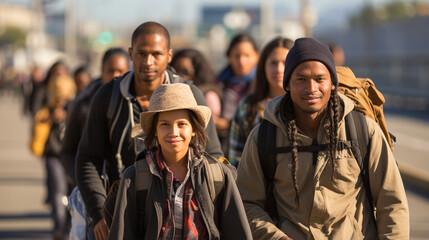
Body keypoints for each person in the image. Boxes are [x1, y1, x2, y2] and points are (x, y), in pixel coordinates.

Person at [236, 38, 409, 239]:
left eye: (320, 79)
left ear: (332, 83)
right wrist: (275, 237)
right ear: (288, 85)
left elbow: (392, 203)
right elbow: (246, 203)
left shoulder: (362, 130)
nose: (311, 88)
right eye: (301, 79)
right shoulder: (264, 137)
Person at [76, 22, 223, 240]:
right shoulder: (108, 96)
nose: (148, 62)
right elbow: (87, 158)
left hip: (184, 217)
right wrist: (99, 213)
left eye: (156, 54)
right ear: (130, 54)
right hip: (119, 214)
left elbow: (213, 157)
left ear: (169, 55)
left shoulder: (190, 95)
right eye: (141, 53)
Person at [108, 83, 252, 239]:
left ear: (194, 129)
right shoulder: (135, 178)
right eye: (165, 124)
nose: (174, 132)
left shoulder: (218, 175)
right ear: (155, 130)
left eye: (182, 124)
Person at [228, 37, 293, 166]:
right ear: (263, 66)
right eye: (273, 63)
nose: (279, 69)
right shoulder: (247, 107)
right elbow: (236, 160)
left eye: (285, 63)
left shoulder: (305, 105)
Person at [30, 74, 76, 240]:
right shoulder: (46, 111)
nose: (61, 100)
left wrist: (67, 115)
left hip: (71, 156)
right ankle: (59, 227)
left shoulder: (75, 108)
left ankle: (69, 227)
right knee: (58, 192)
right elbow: (37, 129)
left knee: (72, 193)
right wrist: (49, 119)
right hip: (53, 156)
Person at [217, 33, 259, 156]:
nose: (242, 61)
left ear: (257, 56)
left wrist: (228, 124)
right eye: (237, 56)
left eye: (247, 55)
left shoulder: (262, 84)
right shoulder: (219, 83)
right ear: (229, 56)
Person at [170, 48, 223, 136]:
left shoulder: (208, 96)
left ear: (198, 72)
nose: (178, 76)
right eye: (175, 71)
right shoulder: (168, 96)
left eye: (185, 72)